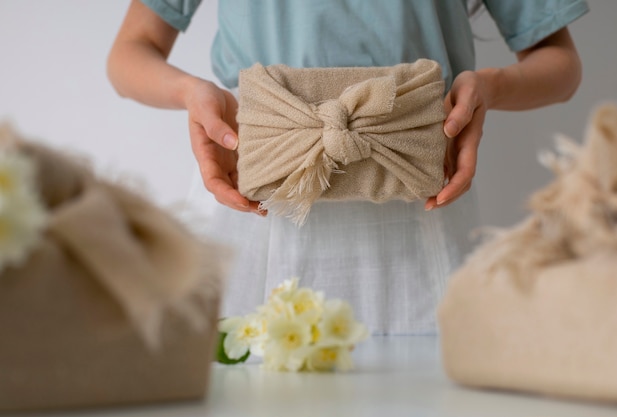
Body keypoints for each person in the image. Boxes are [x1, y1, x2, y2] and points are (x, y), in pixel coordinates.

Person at [107, 0, 588, 335]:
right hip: (256, 197)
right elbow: (130, 52)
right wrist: (191, 94)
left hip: (421, 198)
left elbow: (560, 64)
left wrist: (490, 86)